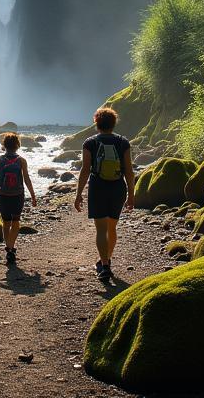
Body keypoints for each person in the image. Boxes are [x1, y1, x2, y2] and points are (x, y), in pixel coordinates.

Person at [73, 106, 135, 282]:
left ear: (96, 122)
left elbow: (85, 170)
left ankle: (105, 265)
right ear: (114, 123)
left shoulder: (89, 143)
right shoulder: (123, 142)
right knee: (112, 228)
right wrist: (131, 195)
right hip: (118, 188)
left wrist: (78, 194)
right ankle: (106, 260)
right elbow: (129, 171)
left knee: (101, 229)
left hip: (98, 187)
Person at [0, 132, 37, 263]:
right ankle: (11, 247)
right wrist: (33, 195)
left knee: (6, 222)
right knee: (16, 221)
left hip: (3, 195)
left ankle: (8, 248)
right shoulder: (21, 160)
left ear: (4, 145)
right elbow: (27, 179)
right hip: (18, 195)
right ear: (17, 145)